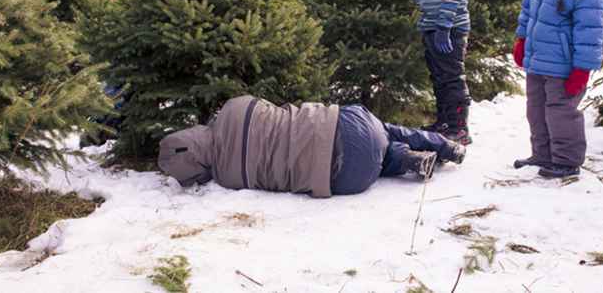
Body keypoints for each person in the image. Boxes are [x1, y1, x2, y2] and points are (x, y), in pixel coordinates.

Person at [157, 95, 466, 197]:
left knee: (375, 160)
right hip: (344, 127)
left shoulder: (227, 178)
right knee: (384, 131)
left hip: (346, 179)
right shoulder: (234, 108)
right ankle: (443, 145)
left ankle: (406, 160)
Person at [512, 0, 603, 178]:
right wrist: (521, 40)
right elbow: (527, 11)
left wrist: (581, 70)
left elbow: (590, 34)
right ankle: (542, 155)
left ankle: (566, 162)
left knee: (560, 113)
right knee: (535, 110)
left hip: (563, 67)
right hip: (537, 59)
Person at [415, 0, 475, 145]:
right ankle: (444, 122)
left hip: (448, 27)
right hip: (433, 24)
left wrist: (444, 25)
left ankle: (459, 127)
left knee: (451, 77)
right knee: (439, 76)